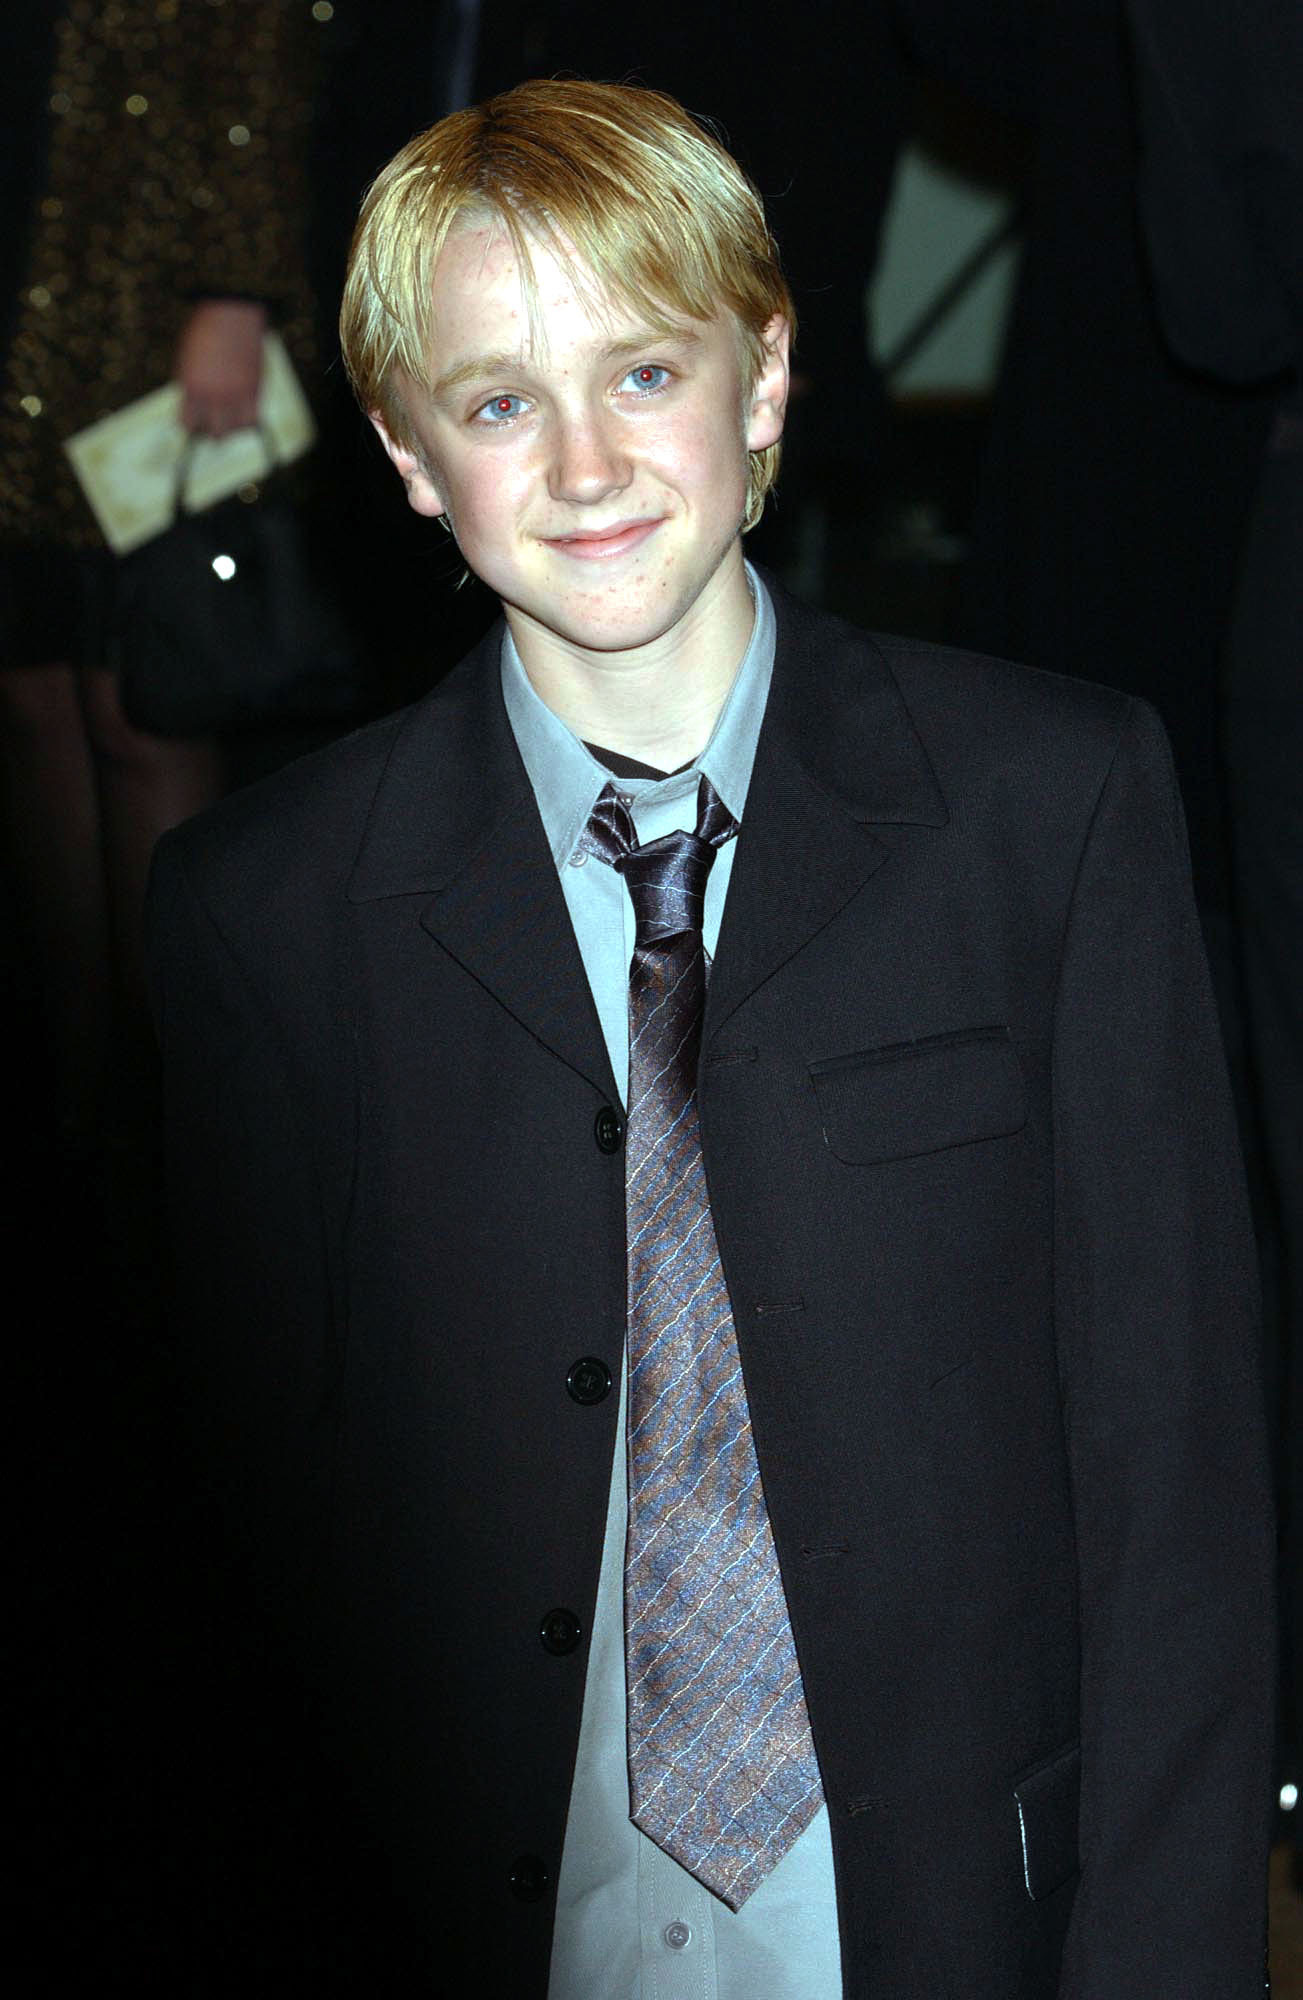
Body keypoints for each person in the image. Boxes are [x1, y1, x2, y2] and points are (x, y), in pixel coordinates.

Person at [146, 81, 1274, 1996]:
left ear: (764, 381)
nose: (585, 464)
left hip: (957, 1915)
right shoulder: (265, 916)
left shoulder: (1048, 808)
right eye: (498, 402)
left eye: (644, 373)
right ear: (411, 458)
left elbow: (1179, 1488)